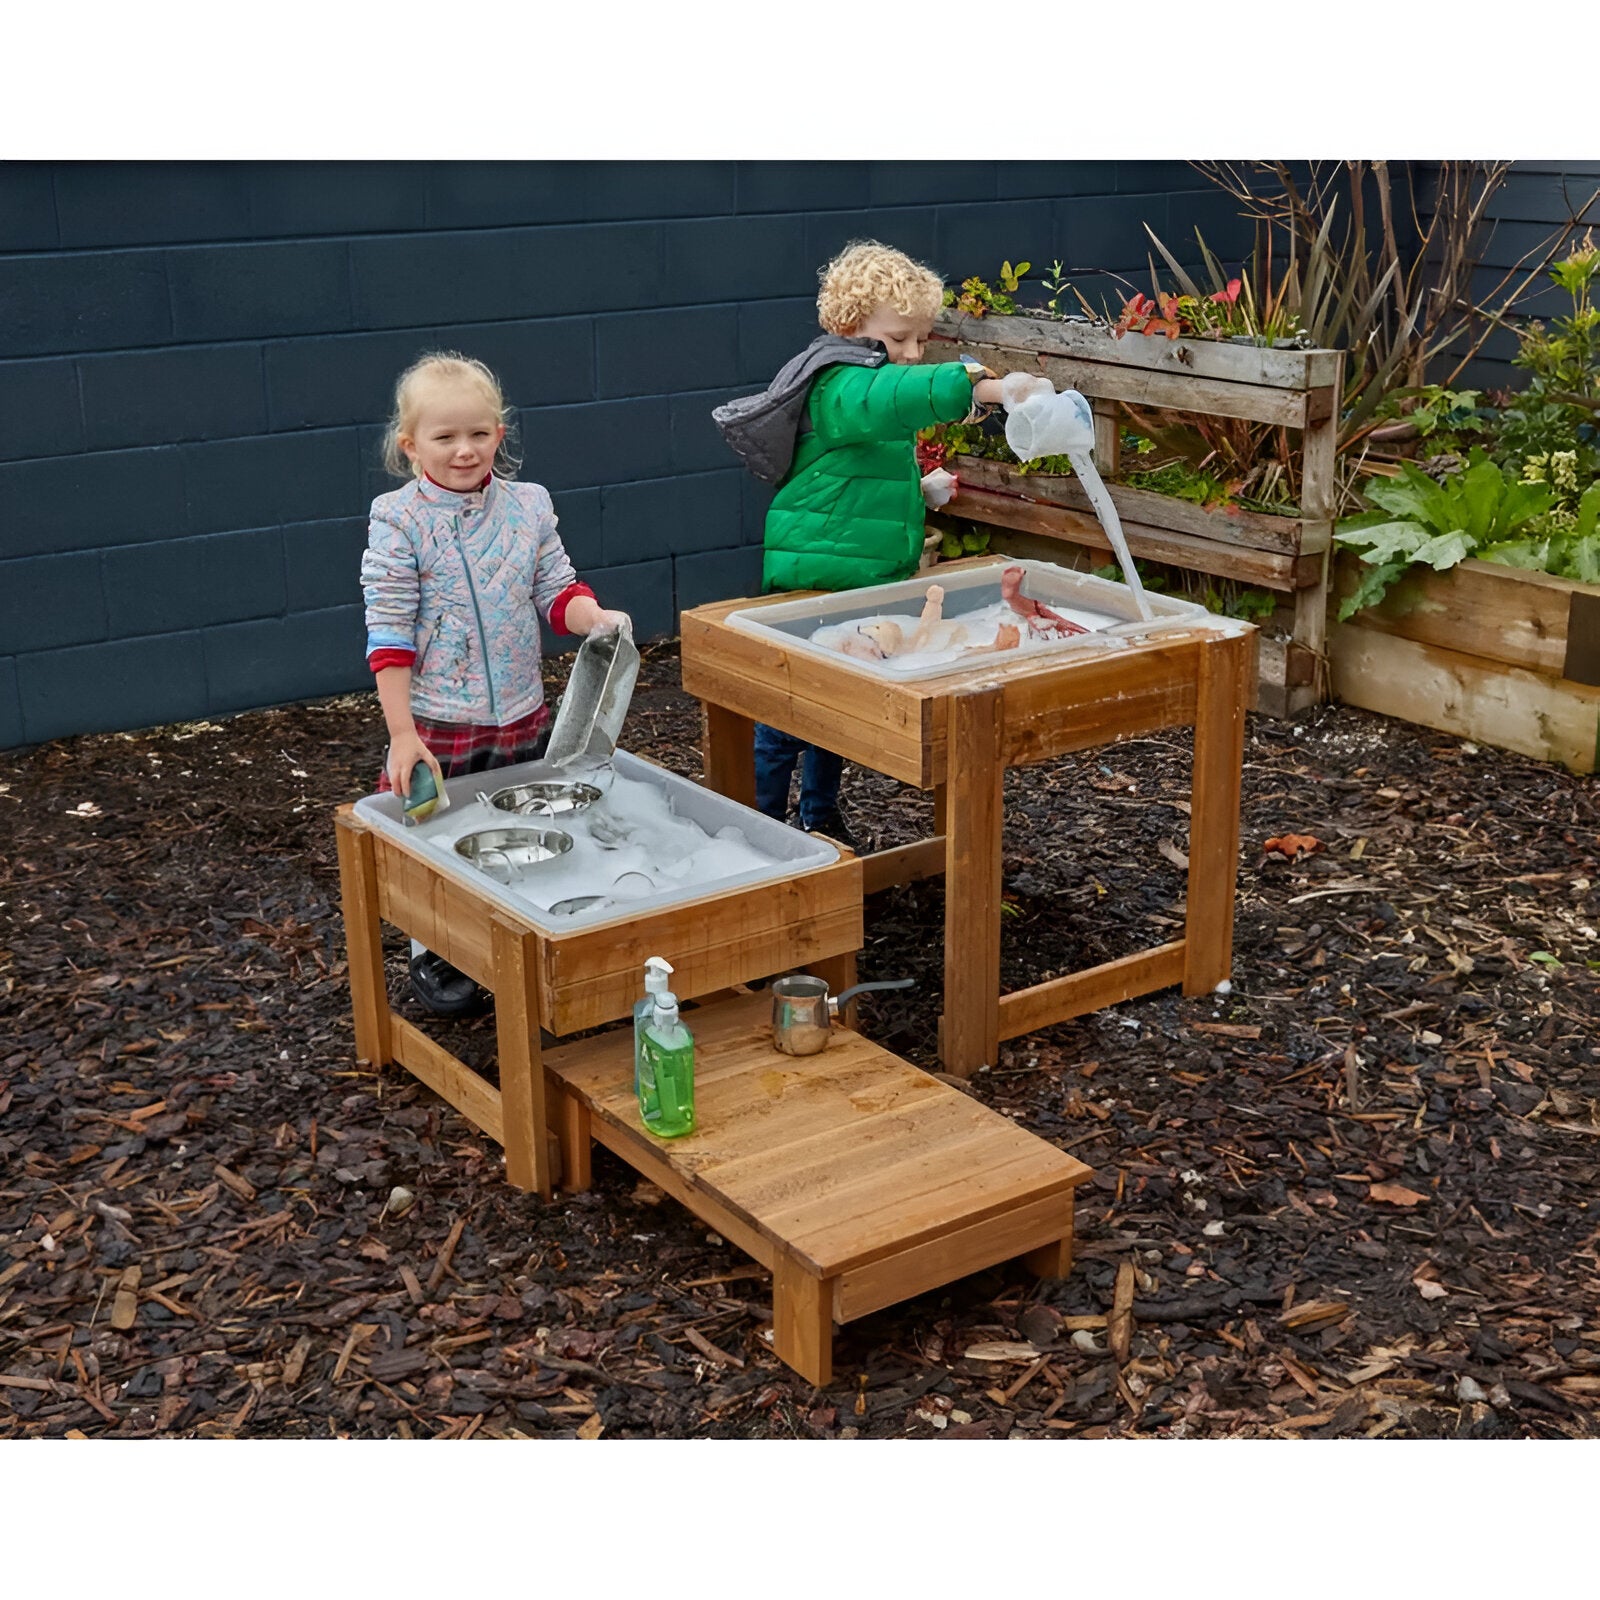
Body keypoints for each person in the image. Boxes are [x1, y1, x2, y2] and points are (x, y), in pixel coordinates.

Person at [361, 352, 629, 1014]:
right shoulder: (398, 520)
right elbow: (388, 634)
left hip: (521, 714)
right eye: (444, 437)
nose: (463, 451)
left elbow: (555, 589)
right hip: (437, 721)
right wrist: (401, 734)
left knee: (520, 831)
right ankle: (435, 951)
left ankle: (520, 933)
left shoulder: (529, 506)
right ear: (410, 443)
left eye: (478, 434)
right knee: (435, 834)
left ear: (500, 433)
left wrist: (591, 616)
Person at [744, 240, 1009, 851]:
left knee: (836, 706)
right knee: (788, 713)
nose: (913, 354)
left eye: (923, 340)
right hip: (815, 577)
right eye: (899, 339)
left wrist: (919, 491)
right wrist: (974, 382)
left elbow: (856, 477)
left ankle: (818, 813)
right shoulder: (839, 381)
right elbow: (890, 400)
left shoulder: (862, 383)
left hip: (852, 576)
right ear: (849, 326)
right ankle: (760, 820)